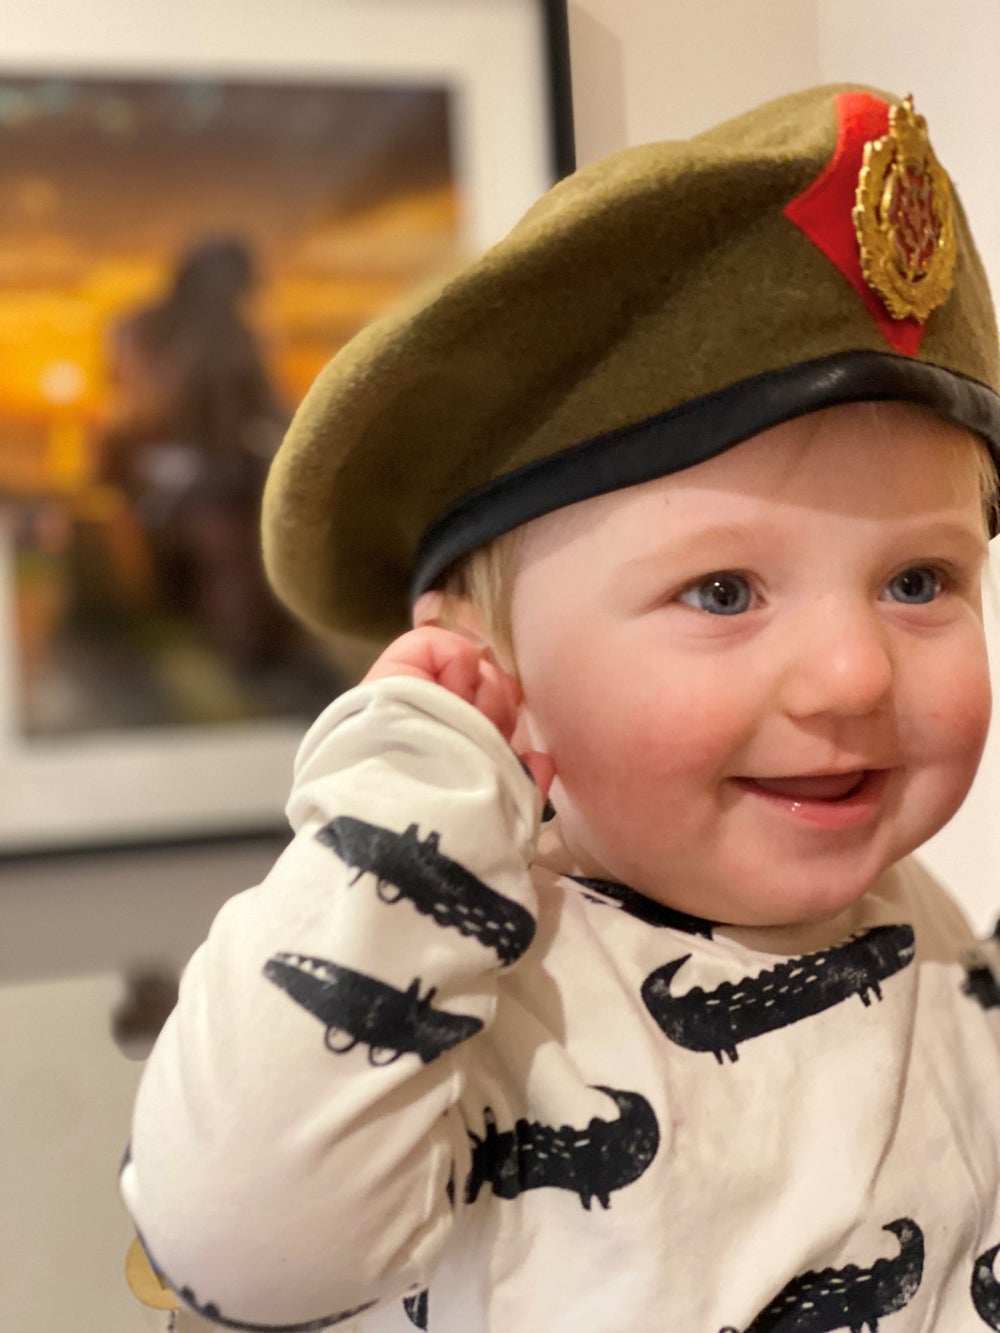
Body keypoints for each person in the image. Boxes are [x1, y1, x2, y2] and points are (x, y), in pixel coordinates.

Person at [121, 85, 1000, 1331]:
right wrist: (408, 818)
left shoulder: (926, 924)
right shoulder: (468, 978)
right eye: (721, 589)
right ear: (481, 656)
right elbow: (237, 1246)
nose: (854, 676)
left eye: (919, 581)